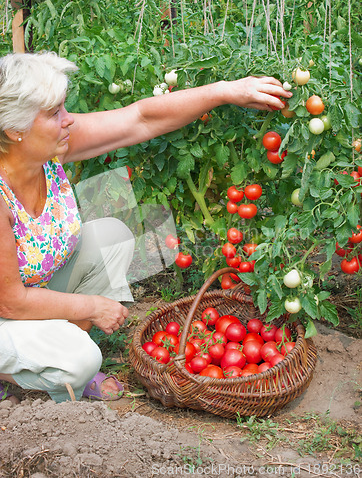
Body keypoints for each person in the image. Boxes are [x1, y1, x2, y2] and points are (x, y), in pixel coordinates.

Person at [0, 52, 292, 404]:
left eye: (65, 107)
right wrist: (91, 306)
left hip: (27, 292)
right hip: (9, 307)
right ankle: (60, 366)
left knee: (111, 236)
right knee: (81, 359)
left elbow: (139, 119)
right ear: (15, 130)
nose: (68, 120)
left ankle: (58, 363)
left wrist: (225, 91)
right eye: (53, 113)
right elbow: (11, 302)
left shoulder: (46, 148)